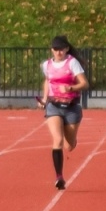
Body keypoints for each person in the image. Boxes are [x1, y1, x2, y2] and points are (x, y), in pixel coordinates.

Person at [38, 35, 89, 189]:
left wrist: (70, 88)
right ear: (51, 50)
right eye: (55, 49)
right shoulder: (46, 65)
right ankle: (59, 177)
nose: (58, 52)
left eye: (61, 49)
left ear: (67, 48)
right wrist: (45, 99)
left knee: (69, 145)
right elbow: (48, 81)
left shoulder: (72, 63)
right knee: (57, 141)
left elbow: (84, 83)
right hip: (54, 106)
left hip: (71, 107)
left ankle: (72, 140)